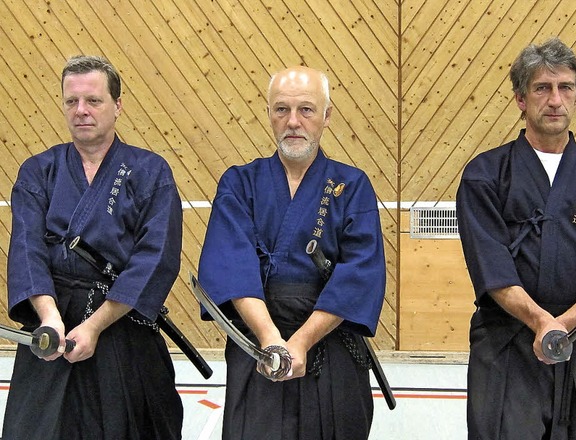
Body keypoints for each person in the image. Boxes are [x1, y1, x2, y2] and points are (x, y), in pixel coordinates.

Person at [457, 37, 576, 440]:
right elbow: (492, 267)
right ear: (521, 98)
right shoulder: (485, 174)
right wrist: (541, 323)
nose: (555, 100)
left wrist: (564, 326)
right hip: (506, 343)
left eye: (565, 88)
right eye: (542, 88)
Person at [197, 66, 386, 440]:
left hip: (330, 344)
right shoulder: (239, 182)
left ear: (327, 116)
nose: (293, 122)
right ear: (269, 114)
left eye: (307, 110)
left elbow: (359, 273)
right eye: (281, 110)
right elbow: (230, 265)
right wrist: (271, 339)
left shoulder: (352, 185)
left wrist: (300, 342)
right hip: (258, 343)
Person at [2, 55, 184, 439]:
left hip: (120, 320)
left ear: (117, 106)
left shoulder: (150, 171)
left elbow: (155, 258)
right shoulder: (39, 170)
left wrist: (96, 325)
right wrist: (49, 317)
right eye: (72, 101)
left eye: (93, 101)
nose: (81, 111)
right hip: (52, 322)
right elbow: (26, 249)